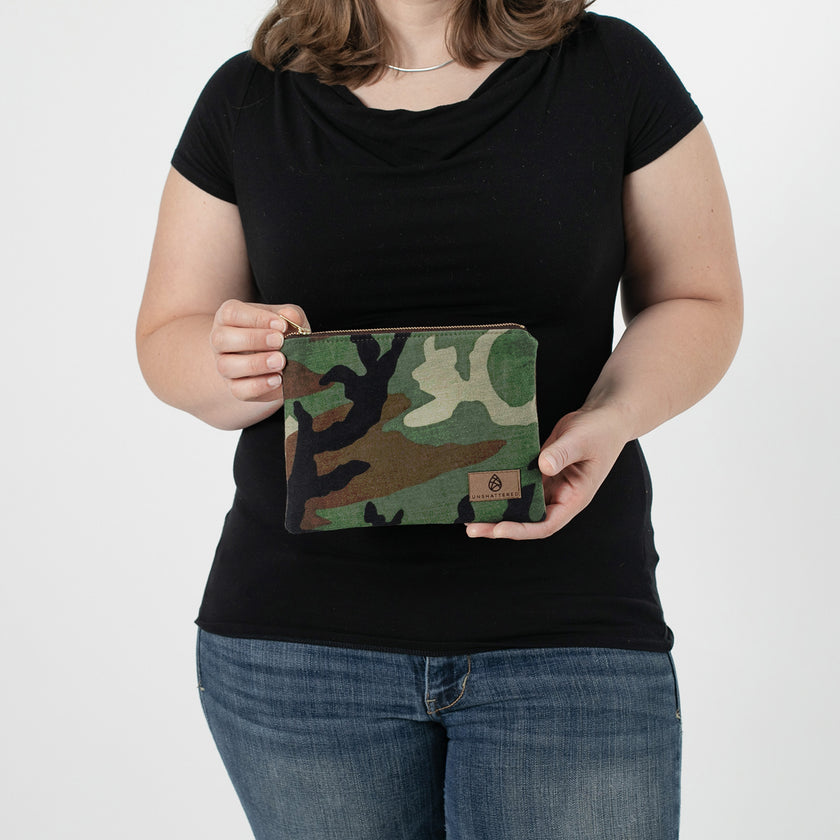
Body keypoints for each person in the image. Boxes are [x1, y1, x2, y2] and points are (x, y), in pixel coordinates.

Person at [136, 0, 742, 836]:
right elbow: (168, 337)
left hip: (570, 636)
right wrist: (236, 362)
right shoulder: (247, 99)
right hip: (298, 653)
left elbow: (698, 297)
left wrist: (614, 416)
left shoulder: (613, 68)